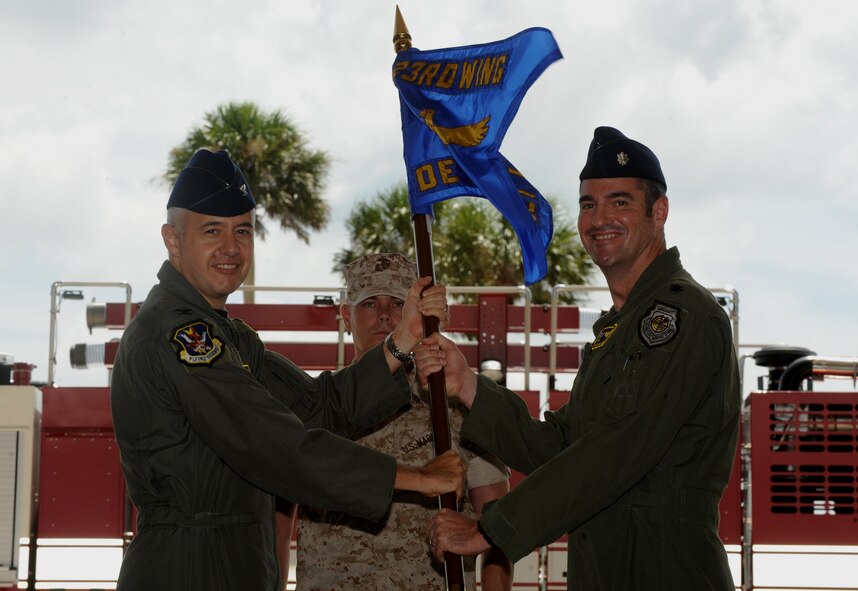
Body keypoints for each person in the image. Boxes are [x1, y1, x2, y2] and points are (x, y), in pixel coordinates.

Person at [110, 149, 465, 591]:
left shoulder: (229, 336)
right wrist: (416, 478)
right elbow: (273, 443)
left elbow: (318, 408)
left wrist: (403, 340)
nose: (231, 248)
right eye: (211, 231)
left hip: (238, 557)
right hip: (188, 563)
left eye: (242, 231)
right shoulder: (179, 335)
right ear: (173, 240)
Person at [418, 127, 741, 590]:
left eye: (620, 202)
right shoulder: (619, 328)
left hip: (664, 567)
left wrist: (493, 528)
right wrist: (467, 385)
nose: (599, 217)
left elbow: (620, 446)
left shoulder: (683, 315)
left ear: (660, 211)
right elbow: (564, 446)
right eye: (588, 204)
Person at [294, 253, 513, 591]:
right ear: (345, 317)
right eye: (368, 304)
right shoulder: (315, 408)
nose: (383, 314)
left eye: (398, 303)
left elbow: (497, 520)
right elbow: (279, 521)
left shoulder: (452, 407)